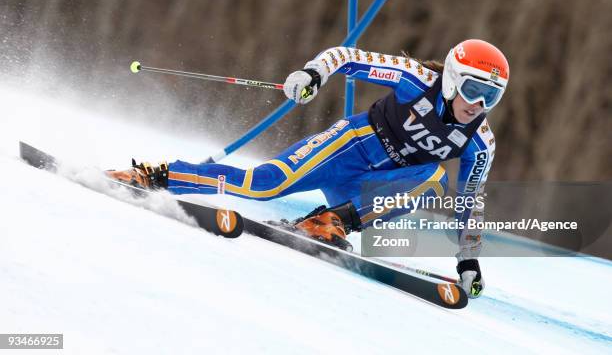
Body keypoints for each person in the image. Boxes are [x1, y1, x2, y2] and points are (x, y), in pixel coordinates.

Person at [108, 39, 509, 298]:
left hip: (368, 188)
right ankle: (158, 175)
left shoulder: (480, 141)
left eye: (491, 96)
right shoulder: (417, 80)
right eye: (474, 89)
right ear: (454, 80)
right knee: (262, 186)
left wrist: (468, 260)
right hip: (347, 148)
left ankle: (327, 222)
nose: (478, 103)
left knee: (436, 180)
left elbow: (471, 202)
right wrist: (313, 73)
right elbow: (348, 57)